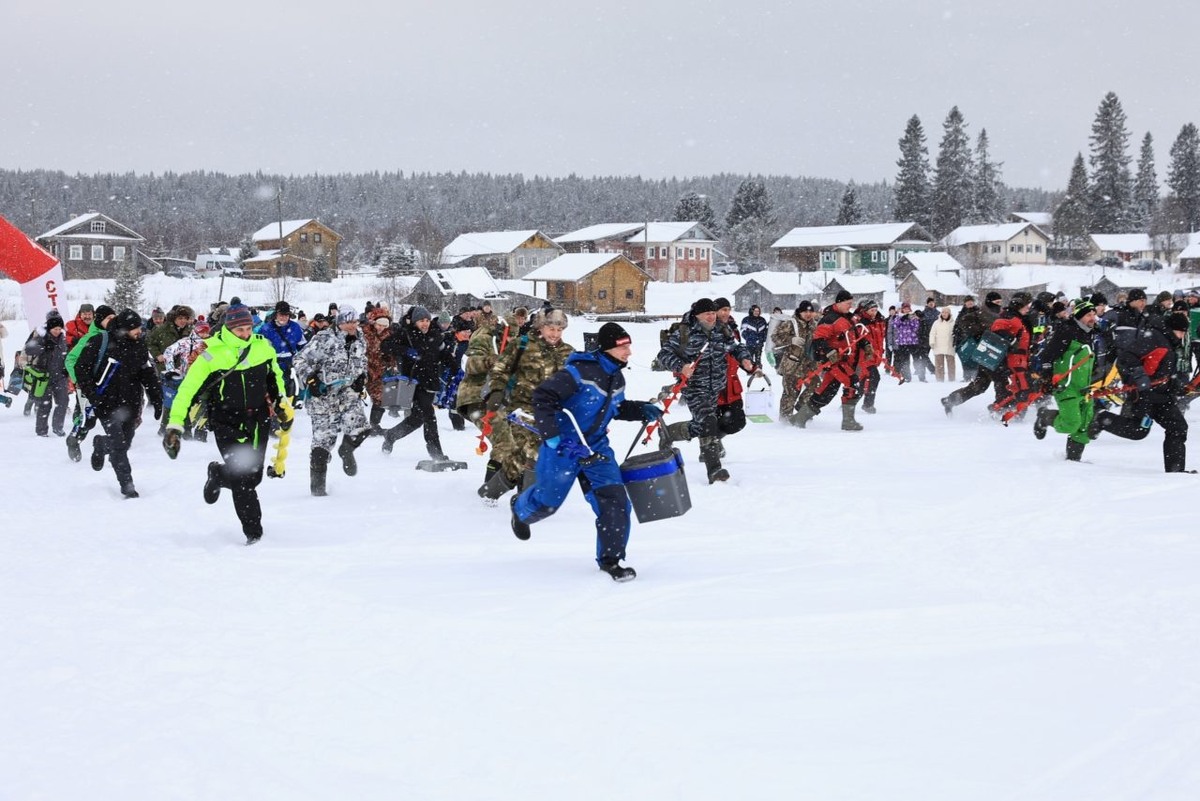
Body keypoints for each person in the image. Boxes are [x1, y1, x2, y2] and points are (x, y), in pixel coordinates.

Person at [509, 322, 664, 582]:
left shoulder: (617, 377)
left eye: (628, 346)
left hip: (596, 447)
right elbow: (543, 397)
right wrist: (552, 435)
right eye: (623, 347)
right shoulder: (578, 372)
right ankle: (520, 509)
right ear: (607, 348)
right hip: (563, 447)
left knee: (615, 501)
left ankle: (611, 560)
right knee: (547, 503)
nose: (628, 352)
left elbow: (615, 408)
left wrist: (640, 409)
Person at [165, 304, 290, 542]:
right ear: (228, 328)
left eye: (248, 328)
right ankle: (254, 534)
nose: (245, 334)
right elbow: (187, 391)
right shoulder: (210, 353)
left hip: (258, 419)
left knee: (254, 478)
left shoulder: (262, 347)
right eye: (240, 330)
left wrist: (281, 403)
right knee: (243, 479)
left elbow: (275, 379)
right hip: (226, 420)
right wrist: (175, 424)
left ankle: (219, 474)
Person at [658, 298, 754, 480]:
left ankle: (669, 433)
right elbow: (663, 355)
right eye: (707, 314)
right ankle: (714, 470)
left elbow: (735, 347)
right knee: (708, 422)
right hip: (694, 388)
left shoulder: (721, 330)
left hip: (715, 387)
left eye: (712, 313)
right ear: (697, 315)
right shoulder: (684, 333)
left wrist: (744, 358)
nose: (711, 317)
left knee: (702, 425)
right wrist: (681, 366)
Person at [484, 308, 575, 491]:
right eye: (551, 329)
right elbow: (501, 369)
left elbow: (575, 384)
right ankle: (501, 493)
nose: (555, 334)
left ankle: (520, 497)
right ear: (541, 327)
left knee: (533, 455)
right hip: (522, 409)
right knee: (523, 453)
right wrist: (496, 390)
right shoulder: (522, 345)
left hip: (551, 412)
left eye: (559, 330)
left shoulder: (568, 352)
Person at [76, 310, 163, 498]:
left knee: (125, 441)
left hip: (130, 404)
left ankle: (101, 444)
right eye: (135, 328)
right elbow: (80, 368)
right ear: (124, 328)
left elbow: (147, 374)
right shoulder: (101, 341)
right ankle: (127, 484)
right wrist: (92, 394)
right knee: (119, 444)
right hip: (105, 403)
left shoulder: (139, 344)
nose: (139, 331)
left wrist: (157, 398)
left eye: (140, 327)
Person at [1090, 311, 1191, 472]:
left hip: (1162, 396)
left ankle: (1175, 471)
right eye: (1181, 332)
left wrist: (1174, 384)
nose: (1182, 336)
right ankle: (1100, 418)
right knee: (1137, 431)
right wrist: (1139, 377)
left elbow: (1162, 369)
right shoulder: (1154, 338)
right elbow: (1126, 357)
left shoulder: (1169, 342)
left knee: (1178, 427)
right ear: (1172, 329)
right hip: (1144, 395)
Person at [293, 305, 370, 495]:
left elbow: (362, 362)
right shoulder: (324, 338)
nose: (351, 326)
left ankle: (346, 450)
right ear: (339, 322)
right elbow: (299, 359)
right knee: (321, 447)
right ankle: (318, 491)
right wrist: (311, 379)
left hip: (348, 395)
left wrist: (362, 378)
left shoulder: (360, 339)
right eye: (347, 322)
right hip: (323, 397)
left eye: (354, 322)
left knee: (361, 429)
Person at [381, 305, 456, 463]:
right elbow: (385, 346)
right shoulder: (406, 334)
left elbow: (445, 355)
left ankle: (391, 435)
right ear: (415, 321)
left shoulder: (435, 335)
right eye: (421, 320)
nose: (425, 323)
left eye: (427, 320)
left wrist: (457, 369)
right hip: (412, 383)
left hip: (430, 382)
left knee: (416, 419)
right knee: (429, 415)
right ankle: (436, 453)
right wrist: (406, 350)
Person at [790, 290, 870, 432]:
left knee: (825, 393)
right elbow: (818, 340)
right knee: (853, 384)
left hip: (847, 361)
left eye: (851, 303)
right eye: (848, 303)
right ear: (839, 303)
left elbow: (857, 335)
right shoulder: (829, 319)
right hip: (836, 362)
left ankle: (799, 418)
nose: (850, 306)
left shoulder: (849, 317)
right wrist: (829, 351)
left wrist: (866, 345)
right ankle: (848, 421)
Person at [1032, 300, 1098, 461]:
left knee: (1084, 425)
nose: (1092, 318)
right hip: (1066, 385)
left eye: (1094, 314)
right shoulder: (1067, 331)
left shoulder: (1090, 332)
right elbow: (1047, 355)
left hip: (1085, 387)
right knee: (1071, 423)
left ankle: (1073, 461)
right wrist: (1047, 378)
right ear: (1079, 317)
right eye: (1088, 315)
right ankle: (1045, 416)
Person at [147, 305, 196, 435]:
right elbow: (150, 342)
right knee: (170, 397)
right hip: (166, 368)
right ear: (174, 318)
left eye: (185, 318)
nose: (183, 321)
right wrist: (157, 354)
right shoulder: (162, 329)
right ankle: (164, 428)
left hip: (185, 368)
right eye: (180, 318)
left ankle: (186, 429)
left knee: (184, 398)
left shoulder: (191, 331)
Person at [770, 300, 820, 424]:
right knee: (790, 393)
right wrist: (791, 339)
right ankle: (785, 420)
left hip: (809, 364)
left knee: (816, 385)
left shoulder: (815, 325)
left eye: (810, 311)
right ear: (800, 312)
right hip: (792, 364)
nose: (808, 314)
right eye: (805, 311)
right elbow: (774, 337)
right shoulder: (791, 323)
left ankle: (802, 407)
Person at [24, 312, 70, 436]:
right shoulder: (41, 337)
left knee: (63, 401)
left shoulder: (63, 339)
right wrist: (43, 347)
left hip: (60, 376)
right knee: (45, 404)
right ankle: (41, 430)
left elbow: (67, 354)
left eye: (59, 329)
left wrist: (66, 369)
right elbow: (28, 349)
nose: (58, 331)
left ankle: (58, 427)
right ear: (50, 328)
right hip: (44, 377)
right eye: (55, 329)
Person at [259, 300, 306, 401]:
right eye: (281, 315)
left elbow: (303, 347)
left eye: (286, 315)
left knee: (290, 395)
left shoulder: (295, 327)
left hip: (290, 366)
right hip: (272, 367)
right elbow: (259, 350)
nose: (283, 317)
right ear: (276, 314)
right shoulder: (265, 329)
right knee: (274, 394)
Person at [362, 306, 397, 436]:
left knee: (380, 398)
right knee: (351, 399)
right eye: (379, 324)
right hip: (362, 370)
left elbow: (390, 354)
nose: (381, 328)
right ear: (374, 322)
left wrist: (391, 363)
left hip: (379, 372)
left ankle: (374, 425)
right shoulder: (365, 333)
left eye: (384, 325)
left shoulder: (388, 335)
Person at [889, 302, 923, 382]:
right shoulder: (898, 316)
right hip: (902, 342)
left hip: (913, 342)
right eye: (905, 309)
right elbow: (895, 325)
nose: (906, 310)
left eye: (908, 309)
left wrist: (911, 319)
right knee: (905, 361)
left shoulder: (913, 316)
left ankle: (922, 377)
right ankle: (907, 377)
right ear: (902, 309)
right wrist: (902, 319)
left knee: (917, 360)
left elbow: (916, 327)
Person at [929, 306, 957, 382]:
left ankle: (952, 380)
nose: (944, 314)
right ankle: (939, 380)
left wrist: (956, 342)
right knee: (939, 365)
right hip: (938, 345)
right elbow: (932, 333)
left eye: (946, 312)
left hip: (949, 345)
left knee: (951, 364)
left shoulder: (953, 323)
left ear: (949, 314)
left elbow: (957, 334)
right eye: (943, 312)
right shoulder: (936, 323)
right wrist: (932, 342)